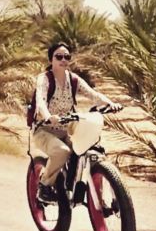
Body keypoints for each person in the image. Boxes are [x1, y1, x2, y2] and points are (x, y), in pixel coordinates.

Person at [32, 41, 122, 203]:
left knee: (90, 148)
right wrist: (47, 115)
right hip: (44, 130)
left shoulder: (73, 79)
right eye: (58, 56)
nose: (63, 60)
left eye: (67, 56)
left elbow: (93, 94)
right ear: (51, 59)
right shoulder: (44, 79)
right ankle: (44, 186)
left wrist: (110, 103)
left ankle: (100, 190)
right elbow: (41, 100)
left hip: (67, 128)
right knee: (61, 152)